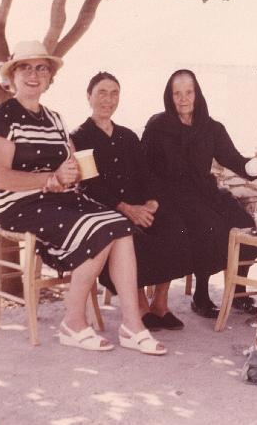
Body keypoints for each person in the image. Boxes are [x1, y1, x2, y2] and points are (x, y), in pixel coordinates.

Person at [0, 41, 165, 354]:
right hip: (18, 204)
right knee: (102, 228)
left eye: (41, 68)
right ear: (13, 75)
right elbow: (1, 178)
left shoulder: (55, 119)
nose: (33, 74)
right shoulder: (4, 116)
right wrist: (50, 179)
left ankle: (132, 324)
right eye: (25, 67)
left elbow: (77, 165)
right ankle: (72, 322)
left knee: (118, 223)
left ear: (49, 77)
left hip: (60, 201)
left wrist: (74, 174)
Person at [71, 72, 192, 331]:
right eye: (102, 93)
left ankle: (160, 303)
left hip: (138, 206)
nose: (108, 99)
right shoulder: (79, 137)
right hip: (105, 211)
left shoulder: (127, 136)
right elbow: (90, 185)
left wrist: (152, 202)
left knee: (174, 225)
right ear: (89, 96)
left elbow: (146, 174)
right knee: (133, 237)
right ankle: (139, 304)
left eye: (114, 93)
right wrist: (126, 209)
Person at [142, 69, 257, 319]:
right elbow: (143, 166)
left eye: (188, 92)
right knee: (209, 227)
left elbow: (234, 159)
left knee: (246, 226)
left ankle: (238, 290)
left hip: (205, 191)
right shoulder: (158, 125)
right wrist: (149, 198)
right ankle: (201, 295)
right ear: (169, 96)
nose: (183, 99)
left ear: (197, 94)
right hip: (170, 195)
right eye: (177, 94)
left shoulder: (212, 127)